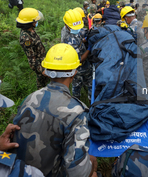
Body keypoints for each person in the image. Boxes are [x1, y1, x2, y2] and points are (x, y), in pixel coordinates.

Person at [12, 44, 97, 177]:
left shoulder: (29, 98)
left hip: (19, 171)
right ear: (74, 73)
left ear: (46, 72)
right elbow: (77, 171)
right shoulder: (76, 112)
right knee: (92, 162)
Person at [61, 9, 92, 99]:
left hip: (73, 67)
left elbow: (77, 35)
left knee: (76, 85)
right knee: (83, 84)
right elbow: (79, 60)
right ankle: (86, 102)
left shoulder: (67, 29)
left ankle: (76, 99)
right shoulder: (69, 40)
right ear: (67, 25)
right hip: (79, 67)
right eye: (75, 28)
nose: (77, 29)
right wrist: (89, 49)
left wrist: (83, 40)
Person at [16, 8, 49, 89]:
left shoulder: (31, 30)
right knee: (41, 85)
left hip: (43, 61)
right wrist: (41, 70)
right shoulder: (26, 38)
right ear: (31, 22)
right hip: (39, 65)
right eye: (36, 21)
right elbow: (31, 58)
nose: (37, 22)